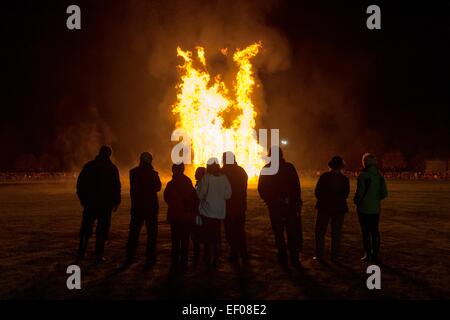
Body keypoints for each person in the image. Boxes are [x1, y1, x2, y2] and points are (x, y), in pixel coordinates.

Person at [258, 146, 303, 268]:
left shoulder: (267, 169)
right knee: (292, 232)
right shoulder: (289, 167)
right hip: (289, 206)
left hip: (275, 207)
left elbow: (261, 189)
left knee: (278, 233)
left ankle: (282, 257)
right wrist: (296, 201)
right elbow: (296, 186)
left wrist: (269, 201)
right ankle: (294, 258)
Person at [76, 145, 121, 263]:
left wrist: (83, 198)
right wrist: (116, 201)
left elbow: (80, 183)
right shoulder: (112, 168)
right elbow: (116, 187)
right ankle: (98, 254)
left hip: (90, 203)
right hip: (105, 204)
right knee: (102, 229)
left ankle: (81, 251)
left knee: (86, 228)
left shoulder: (89, 166)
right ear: (109, 154)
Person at [125, 152, 162, 266]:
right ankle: (150, 257)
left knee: (134, 233)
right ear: (150, 161)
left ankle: (130, 256)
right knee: (152, 234)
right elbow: (158, 187)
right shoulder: (153, 174)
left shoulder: (133, 172)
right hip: (150, 208)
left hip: (137, 207)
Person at [196, 158, 232, 267]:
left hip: (207, 212)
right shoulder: (224, 178)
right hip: (219, 212)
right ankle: (216, 257)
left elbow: (199, 194)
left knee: (207, 236)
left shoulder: (206, 178)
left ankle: (208, 258)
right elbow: (228, 195)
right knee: (216, 235)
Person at [313, 156, 350, 262]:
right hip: (339, 208)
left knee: (320, 231)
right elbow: (345, 194)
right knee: (336, 233)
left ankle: (320, 254)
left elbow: (317, 192)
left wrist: (324, 200)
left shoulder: (324, 176)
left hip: (324, 207)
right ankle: (335, 255)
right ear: (341, 167)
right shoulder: (344, 179)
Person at [354, 153, 388, 263]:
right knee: (375, 231)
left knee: (365, 232)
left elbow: (359, 193)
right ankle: (375, 255)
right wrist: (375, 199)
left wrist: (357, 201)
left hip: (363, 209)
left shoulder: (363, 176)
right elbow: (384, 193)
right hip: (375, 209)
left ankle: (368, 254)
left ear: (365, 163)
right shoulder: (380, 176)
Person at [164, 163, 197, 271]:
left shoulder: (170, 184)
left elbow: (167, 198)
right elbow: (193, 198)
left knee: (175, 240)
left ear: (173, 170)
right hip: (186, 217)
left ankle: (174, 262)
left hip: (174, 216)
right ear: (183, 170)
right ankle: (184, 262)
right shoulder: (188, 182)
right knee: (185, 240)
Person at [221, 151, 249, 263]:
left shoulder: (222, 173)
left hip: (227, 208)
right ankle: (243, 252)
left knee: (229, 231)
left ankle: (234, 251)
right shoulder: (241, 171)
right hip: (240, 206)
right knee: (240, 230)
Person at [192, 166, 206, 265]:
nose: (195, 175)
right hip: (204, 213)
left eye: (197, 173)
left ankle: (198, 254)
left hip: (199, 213)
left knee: (197, 233)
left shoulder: (200, 185)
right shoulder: (204, 184)